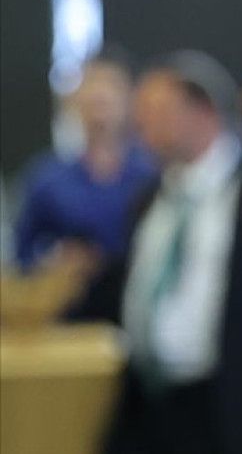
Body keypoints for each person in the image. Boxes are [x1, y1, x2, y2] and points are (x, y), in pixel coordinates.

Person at [101, 50, 242, 454]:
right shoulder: (148, 202)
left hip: (228, 412)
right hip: (150, 410)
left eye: (158, 111)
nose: (143, 124)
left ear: (204, 111)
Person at [14, 47, 157, 319]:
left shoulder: (153, 174)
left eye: (111, 86)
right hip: (67, 318)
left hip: (138, 315)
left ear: (130, 99)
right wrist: (53, 258)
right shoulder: (48, 178)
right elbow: (22, 253)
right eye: (91, 85)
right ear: (73, 99)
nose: (99, 96)